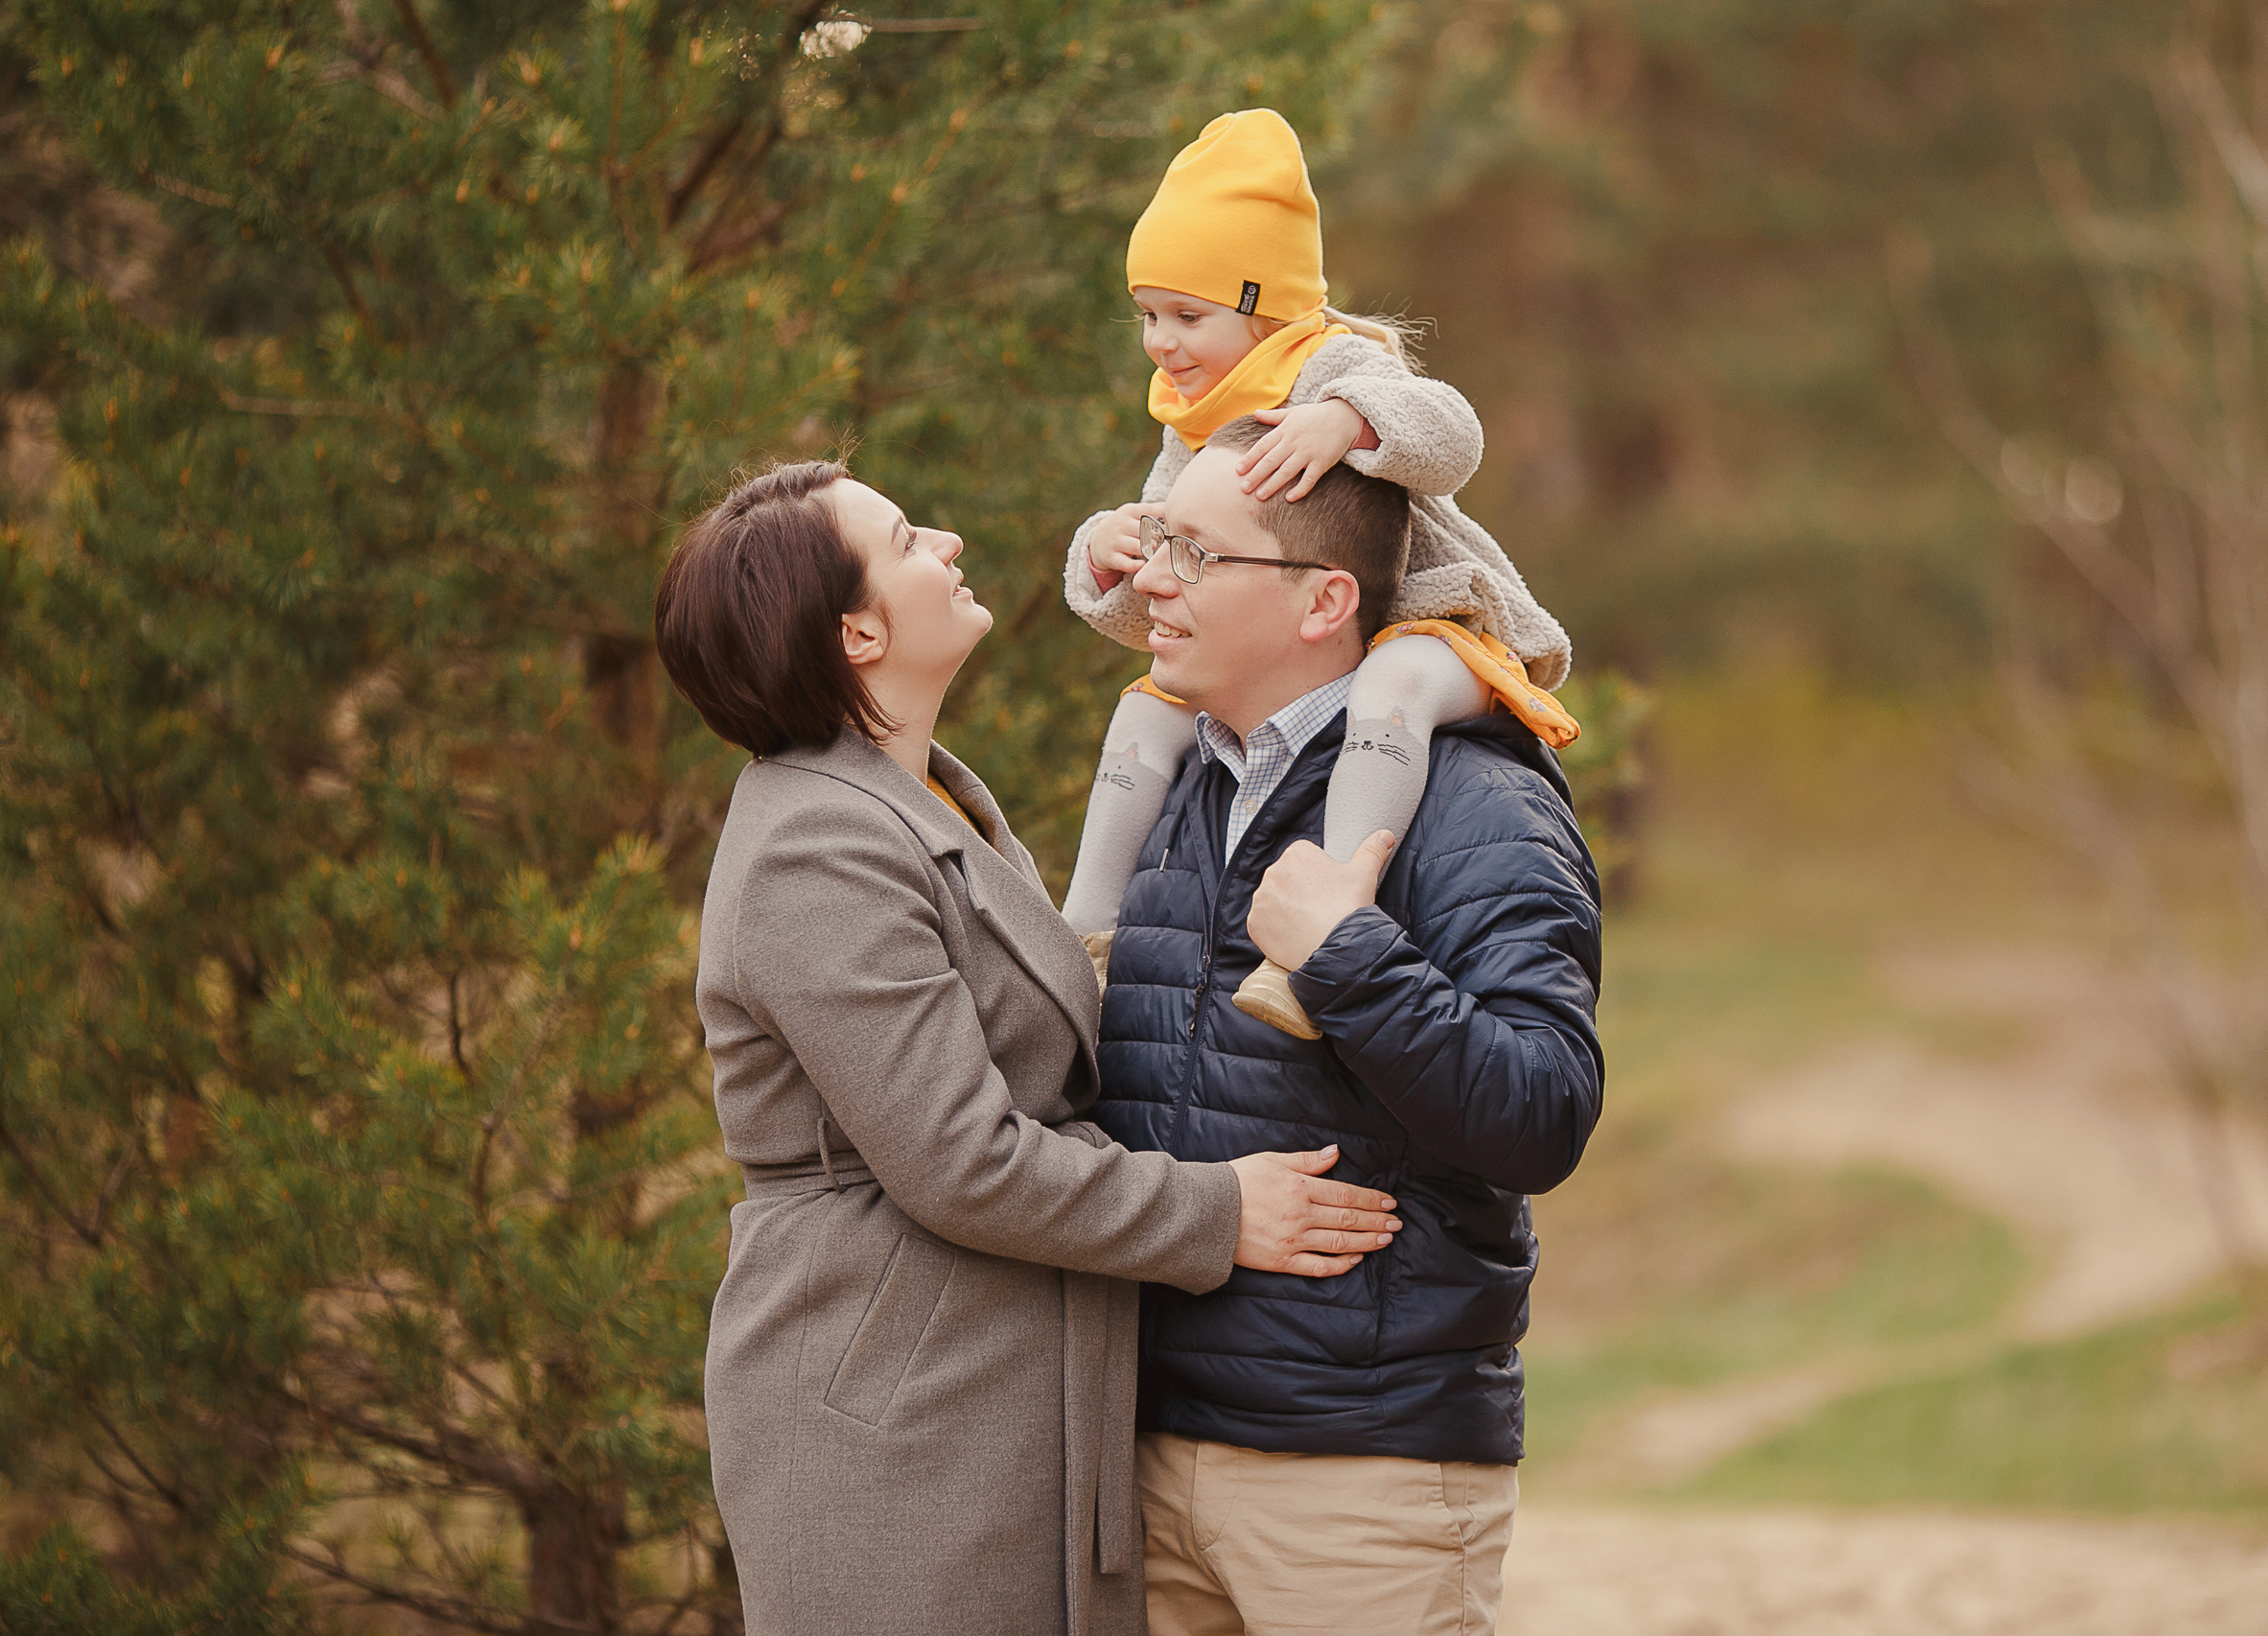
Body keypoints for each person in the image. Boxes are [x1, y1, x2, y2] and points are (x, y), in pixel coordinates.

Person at [654, 460, 1408, 1636]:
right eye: (908, 538)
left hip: (983, 1383)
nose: (948, 539)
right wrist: (1217, 1210)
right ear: (856, 631)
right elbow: (962, 1158)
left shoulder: (918, 795)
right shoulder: (815, 849)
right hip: (890, 1414)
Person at [1090, 418, 1605, 1636]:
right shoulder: (1174, 788)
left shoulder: (1477, 798)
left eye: (1197, 554)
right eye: (1157, 539)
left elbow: (1542, 1110)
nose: (1151, 577)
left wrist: (1345, 956)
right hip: (1145, 1456)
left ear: (1325, 597)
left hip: (1359, 1476)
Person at [1060, 107, 1580, 1041]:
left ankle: (1336, 920)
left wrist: (1348, 419)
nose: (1161, 343)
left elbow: (1453, 435)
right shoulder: (1193, 418)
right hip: (1317, 642)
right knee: (1144, 708)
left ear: (1264, 306)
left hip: (1439, 625)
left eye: (1187, 315)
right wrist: (1108, 552)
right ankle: (1086, 932)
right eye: (1146, 316)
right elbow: (1175, 600)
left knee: (1389, 687)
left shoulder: (1330, 362)